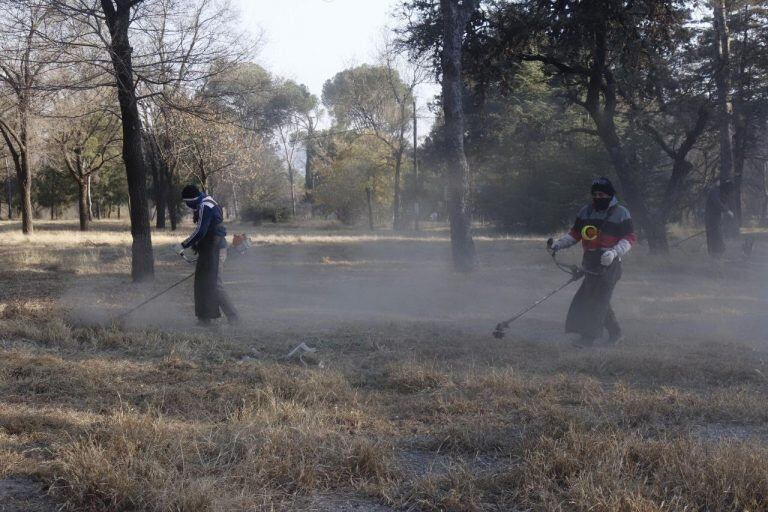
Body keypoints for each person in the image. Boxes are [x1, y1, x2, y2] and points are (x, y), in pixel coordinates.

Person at [549, 177, 636, 346]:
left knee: (597, 299)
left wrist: (613, 252)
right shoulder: (585, 211)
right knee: (593, 297)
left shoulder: (621, 213)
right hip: (590, 261)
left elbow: (630, 238)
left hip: (610, 263)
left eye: (602, 194)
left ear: (610, 195)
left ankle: (588, 339)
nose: (598, 197)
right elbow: (575, 234)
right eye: (595, 194)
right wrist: (558, 244)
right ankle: (616, 332)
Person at [174, 185, 239, 326]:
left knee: (215, 284)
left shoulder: (205, 206)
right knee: (202, 283)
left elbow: (201, 231)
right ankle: (204, 319)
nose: (187, 205)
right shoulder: (204, 202)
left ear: (191, 200)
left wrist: (184, 244)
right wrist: (198, 246)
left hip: (216, 249)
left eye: (186, 202)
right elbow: (207, 229)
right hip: (209, 248)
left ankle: (234, 318)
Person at [704, 179, 735, 258]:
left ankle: (717, 253)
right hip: (711, 217)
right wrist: (727, 211)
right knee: (714, 235)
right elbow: (717, 203)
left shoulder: (720, 191)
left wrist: (727, 210)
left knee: (717, 234)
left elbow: (724, 202)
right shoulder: (715, 190)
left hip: (716, 217)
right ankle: (714, 254)